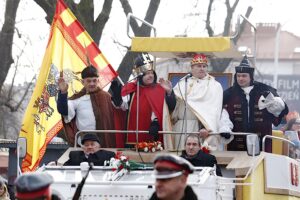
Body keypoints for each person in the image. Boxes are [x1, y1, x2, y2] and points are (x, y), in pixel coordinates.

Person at [222, 55, 289, 152]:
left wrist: (271, 101)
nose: (240, 78)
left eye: (244, 76)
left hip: (262, 142)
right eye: (238, 76)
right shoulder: (229, 94)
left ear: (251, 77)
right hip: (237, 144)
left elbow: (280, 109)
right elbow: (223, 114)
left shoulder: (264, 90)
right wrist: (224, 128)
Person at [111, 53, 176, 149]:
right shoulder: (131, 88)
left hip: (153, 133)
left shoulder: (159, 89)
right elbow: (122, 107)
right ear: (139, 75)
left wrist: (156, 122)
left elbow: (169, 108)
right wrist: (117, 98)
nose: (150, 76)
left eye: (151, 73)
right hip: (133, 134)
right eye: (147, 74)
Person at [172, 53, 231, 151]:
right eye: (199, 66)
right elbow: (173, 106)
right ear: (192, 68)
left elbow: (214, 110)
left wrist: (206, 127)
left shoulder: (214, 86)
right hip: (181, 127)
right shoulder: (182, 83)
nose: (202, 69)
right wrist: (169, 92)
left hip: (200, 129)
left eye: (204, 66)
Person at [57, 65, 115, 147]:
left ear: (98, 81)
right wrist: (63, 93)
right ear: (82, 82)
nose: (92, 83)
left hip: (105, 142)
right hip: (84, 143)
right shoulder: (77, 99)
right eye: (89, 81)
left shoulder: (107, 97)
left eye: (94, 81)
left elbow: (117, 116)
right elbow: (63, 110)